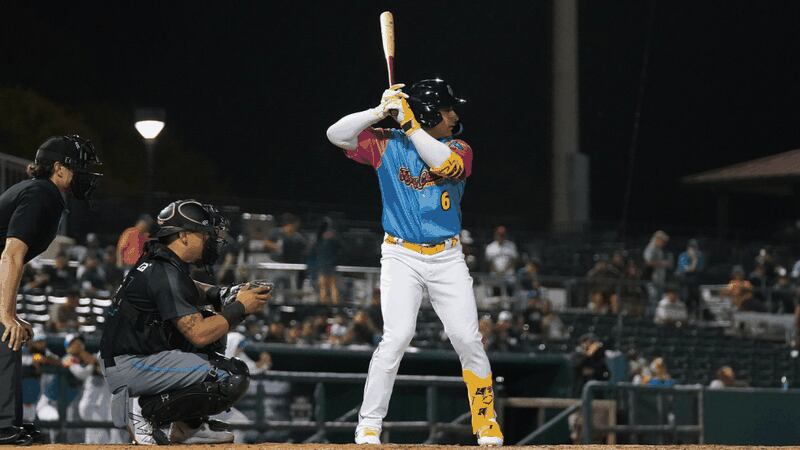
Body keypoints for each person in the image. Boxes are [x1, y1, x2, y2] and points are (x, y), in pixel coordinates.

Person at [327, 78, 503, 445]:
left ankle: (485, 421)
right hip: (400, 254)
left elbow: (446, 165)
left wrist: (409, 123)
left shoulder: (459, 147)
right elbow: (336, 134)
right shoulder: (386, 144)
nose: (454, 114)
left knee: (467, 339)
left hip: (447, 257)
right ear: (427, 113)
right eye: (446, 109)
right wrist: (379, 112)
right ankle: (369, 424)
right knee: (397, 337)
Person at [99, 200, 272, 445]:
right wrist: (241, 307)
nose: (211, 240)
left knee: (213, 325)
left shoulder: (162, 262)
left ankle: (188, 426)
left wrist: (222, 293)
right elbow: (198, 334)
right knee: (229, 376)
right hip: (131, 365)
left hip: (133, 357)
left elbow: (189, 288)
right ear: (183, 236)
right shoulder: (164, 271)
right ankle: (143, 409)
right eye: (205, 234)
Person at [0, 135, 101, 445]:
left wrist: (9, 314)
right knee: (5, 333)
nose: (84, 174)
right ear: (58, 168)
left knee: (10, 334)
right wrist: (6, 314)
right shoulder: (41, 193)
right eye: (78, 167)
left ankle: (8, 423)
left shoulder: (41, 192)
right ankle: (4, 426)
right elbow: (11, 254)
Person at [307, 217, 341, 305]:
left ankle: (324, 306)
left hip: (322, 265)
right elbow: (340, 248)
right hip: (330, 264)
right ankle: (334, 306)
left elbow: (313, 251)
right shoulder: (332, 236)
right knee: (332, 286)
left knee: (324, 287)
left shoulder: (319, 237)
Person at [643, 230, 673, 315]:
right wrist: (663, 263)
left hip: (659, 280)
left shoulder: (659, 249)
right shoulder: (651, 248)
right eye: (663, 241)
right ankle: (649, 319)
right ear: (658, 239)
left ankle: (655, 318)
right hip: (651, 279)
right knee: (652, 299)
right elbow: (648, 262)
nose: (664, 243)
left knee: (658, 300)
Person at [484, 226, 519, 297]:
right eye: (499, 234)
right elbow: (489, 262)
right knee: (496, 298)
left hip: (509, 276)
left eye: (502, 235)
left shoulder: (511, 245)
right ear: (495, 235)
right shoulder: (490, 247)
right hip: (495, 276)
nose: (500, 236)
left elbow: (515, 260)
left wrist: (504, 271)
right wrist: (497, 272)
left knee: (510, 298)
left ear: (505, 235)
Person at [676, 239, 704, 318]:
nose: (693, 249)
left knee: (696, 299)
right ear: (688, 248)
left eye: (695, 248)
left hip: (695, 281)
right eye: (691, 247)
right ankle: (684, 316)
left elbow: (698, 269)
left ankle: (695, 317)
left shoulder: (700, 256)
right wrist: (694, 260)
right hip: (684, 281)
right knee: (685, 298)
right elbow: (686, 269)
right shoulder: (683, 255)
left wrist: (695, 259)